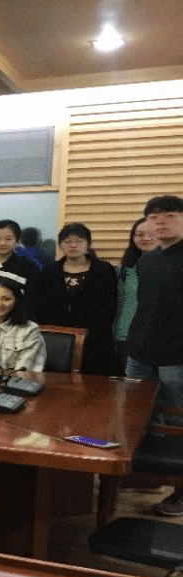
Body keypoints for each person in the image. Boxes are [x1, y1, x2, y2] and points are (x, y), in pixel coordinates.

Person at [126, 195, 183, 516]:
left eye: (169, 215)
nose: (160, 221)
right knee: (144, 420)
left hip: (177, 358)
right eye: (153, 216)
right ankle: (150, 477)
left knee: (178, 424)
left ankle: (180, 490)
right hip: (141, 354)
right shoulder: (147, 261)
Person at [39, 223, 117, 375]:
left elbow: (110, 306)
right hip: (58, 338)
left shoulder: (103, 270)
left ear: (88, 243)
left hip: (96, 338)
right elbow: (42, 305)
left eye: (79, 241)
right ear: (60, 245)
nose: (73, 245)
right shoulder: (50, 270)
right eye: (67, 241)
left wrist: (91, 332)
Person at [113, 218, 159, 373]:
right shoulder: (124, 269)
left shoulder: (174, 268)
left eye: (152, 234)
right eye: (139, 234)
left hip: (163, 339)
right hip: (127, 337)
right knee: (131, 385)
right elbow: (118, 305)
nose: (146, 238)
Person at [0, 220, 41, 318]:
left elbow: (32, 302)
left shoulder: (28, 267)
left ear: (17, 241)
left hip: (17, 321)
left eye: (8, 239)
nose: (2, 243)